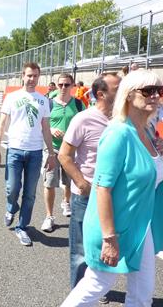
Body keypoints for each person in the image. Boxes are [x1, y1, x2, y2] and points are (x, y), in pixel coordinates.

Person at [61, 69, 163, 306]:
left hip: (140, 226)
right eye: (148, 91)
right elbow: (102, 188)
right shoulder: (118, 133)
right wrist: (109, 238)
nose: (155, 96)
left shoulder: (146, 132)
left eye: (159, 91)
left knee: (142, 292)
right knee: (97, 284)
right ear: (128, 95)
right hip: (114, 226)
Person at [58, 73, 121, 303]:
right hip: (86, 197)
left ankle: (97, 287)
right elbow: (64, 155)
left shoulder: (122, 121)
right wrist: (81, 182)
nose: (123, 90)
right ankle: (78, 294)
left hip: (113, 196)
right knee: (81, 251)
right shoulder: (83, 119)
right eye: (118, 87)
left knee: (106, 243)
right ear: (101, 94)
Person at [0, 62, 55, 246]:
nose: (32, 79)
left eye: (35, 76)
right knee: (12, 188)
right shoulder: (12, 97)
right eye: (29, 75)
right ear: (23, 76)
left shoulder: (43, 100)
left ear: (38, 77)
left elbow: (46, 128)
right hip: (15, 150)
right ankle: (11, 208)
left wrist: (51, 154)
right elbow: (2, 124)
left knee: (30, 193)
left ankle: (22, 227)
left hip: (35, 152)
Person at [41, 74, 85, 233]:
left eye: (67, 85)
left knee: (68, 182)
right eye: (60, 85)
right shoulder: (49, 103)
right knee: (49, 182)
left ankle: (66, 202)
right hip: (51, 149)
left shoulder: (79, 105)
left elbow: (84, 125)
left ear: (73, 85)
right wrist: (51, 130)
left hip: (71, 151)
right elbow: (41, 124)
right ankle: (49, 216)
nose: (63, 88)